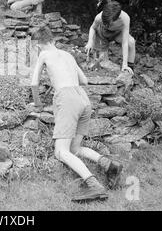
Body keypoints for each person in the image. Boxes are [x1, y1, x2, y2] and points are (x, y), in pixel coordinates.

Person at [30, 26, 123, 202]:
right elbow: (85, 81)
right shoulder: (68, 55)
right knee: (74, 149)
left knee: (61, 152)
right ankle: (110, 166)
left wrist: (38, 103)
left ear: (38, 45)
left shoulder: (43, 54)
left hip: (67, 99)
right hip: (83, 99)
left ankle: (94, 186)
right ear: (52, 40)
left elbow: (34, 83)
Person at [85, 1, 136, 74]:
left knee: (131, 42)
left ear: (117, 18)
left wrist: (124, 65)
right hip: (102, 34)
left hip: (117, 33)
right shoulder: (99, 17)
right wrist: (90, 42)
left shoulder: (125, 18)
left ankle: (130, 71)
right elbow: (92, 28)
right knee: (102, 61)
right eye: (104, 22)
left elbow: (125, 42)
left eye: (109, 23)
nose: (106, 24)